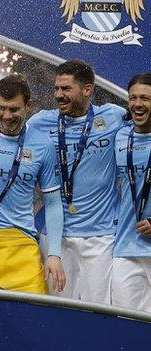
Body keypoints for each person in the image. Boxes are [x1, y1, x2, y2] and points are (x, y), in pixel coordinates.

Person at [0, 60, 125, 303]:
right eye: (56, 89)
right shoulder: (42, 121)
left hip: (101, 235)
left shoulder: (114, 117)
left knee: (100, 311)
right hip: (54, 237)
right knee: (57, 310)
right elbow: (7, 129)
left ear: (87, 89)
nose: (58, 95)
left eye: (66, 89)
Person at [0, 75, 65, 294]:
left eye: (14, 109)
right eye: (1, 108)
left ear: (28, 105)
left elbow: (53, 203)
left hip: (23, 246)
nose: (6, 116)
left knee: (35, 320)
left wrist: (54, 254)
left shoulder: (43, 145)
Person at [112, 73, 151, 312]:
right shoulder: (120, 135)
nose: (138, 104)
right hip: (125, 248)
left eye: (145, 98)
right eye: (133, 98)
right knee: (125, 326)